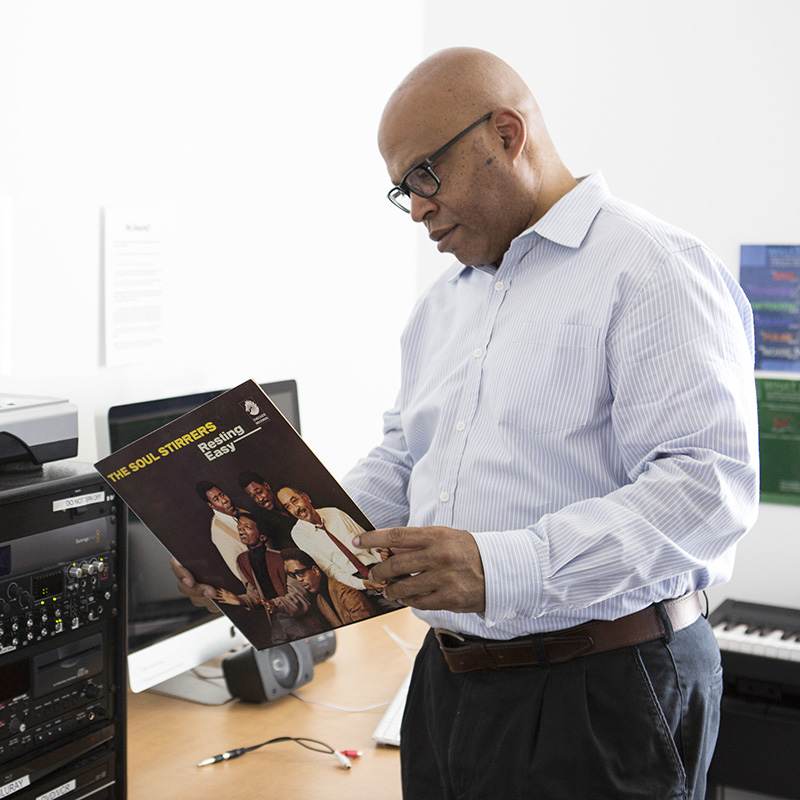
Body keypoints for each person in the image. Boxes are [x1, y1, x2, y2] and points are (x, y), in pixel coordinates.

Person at [175, 47, 759, 799]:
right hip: (450, 682)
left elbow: (707, 490)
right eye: (401, 191)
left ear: (508, 135)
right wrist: (285, 547)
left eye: (425, 175)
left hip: (605, 686)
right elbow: (403, 458)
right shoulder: (443, 307)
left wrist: (499, 566)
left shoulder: (653, 269)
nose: (416, 207)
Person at [275, 486, 397, 612]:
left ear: (306, 497)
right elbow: (330, 570)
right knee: (395, 606)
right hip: (357, 582)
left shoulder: (334, 512)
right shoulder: (299, 534)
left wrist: (381, 556)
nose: (296, 509)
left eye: (295, 501)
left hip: (379, 568)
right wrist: (365, 584)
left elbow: (367, 541)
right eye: (288, 507)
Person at [215, 512, 325, 643]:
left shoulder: (282, 559)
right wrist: (240, 600)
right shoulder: (242, 560)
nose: (241, 529)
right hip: (278, 630)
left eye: (247, 527)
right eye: (239, 526)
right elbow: (254, 595)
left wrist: (274, 604)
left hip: (304, 627)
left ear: (262, 537)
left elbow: (300, 599)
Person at [280, 547, 377, 627]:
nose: (298, 579)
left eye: (300, 573)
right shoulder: (320, 599)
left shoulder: (348, 596)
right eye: (293, 575)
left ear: (315, 571)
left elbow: (368, 630)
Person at [195, 480, 246, 580]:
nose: (224, 500)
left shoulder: (241, 511)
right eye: (216, 499)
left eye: (222, 494)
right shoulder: (219, 533)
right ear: (212, 505)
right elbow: (239, 572)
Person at [237, 470, 296, 550]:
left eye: (259, 492)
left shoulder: (288, 496)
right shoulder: (265, 523)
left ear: (266, 486)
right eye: (254, 497)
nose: (260, 499)